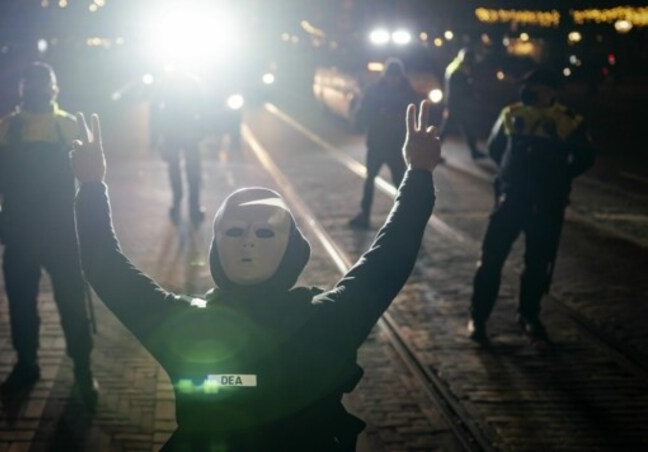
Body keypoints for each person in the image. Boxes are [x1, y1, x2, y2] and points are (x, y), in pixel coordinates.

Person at [70, 100, 441, 450]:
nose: (248, 243)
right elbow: (390, 259)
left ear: (289, 249)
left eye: (264, 232)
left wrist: (91, 185)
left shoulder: (182, 326)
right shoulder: (329, 319)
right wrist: (418, 173)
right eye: (235, 232)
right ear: (217, 246)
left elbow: (104, 265)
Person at [0, 62, 98, 406]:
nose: (37, 93)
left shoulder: (71, 126)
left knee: (72, 304)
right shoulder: (4, 130)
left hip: (62, 235)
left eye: (42, 87)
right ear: (23, 91)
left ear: (53, 90)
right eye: (32, 88)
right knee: (22, 305)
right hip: (22, 234)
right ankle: (27, 364)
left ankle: (83, 368)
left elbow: (92, 184)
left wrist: (94, 229)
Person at [468, 69, 595, 343]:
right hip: (512, 199)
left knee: (537, 264)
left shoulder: (568, 121)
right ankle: (478, 318)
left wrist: (558, 178)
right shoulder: (511, 114)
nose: (527, 92)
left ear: (551, 92)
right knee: (491, 260)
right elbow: (495, 148)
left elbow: (585, 157)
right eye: (526, 86)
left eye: (534, 87)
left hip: (546, 204)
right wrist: (511, 177)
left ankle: (529, 315)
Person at [348, 58, 420, 229]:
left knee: (400, 181)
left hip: (395, 145)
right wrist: (366, 121)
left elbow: (413, 116)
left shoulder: (406, 92)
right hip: (378, 143)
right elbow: (363, 111)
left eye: (395, 77)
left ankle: (405, 216)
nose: (392, 80)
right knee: (371, 178)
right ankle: (365, 214)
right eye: (390, 77)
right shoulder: (375, 91)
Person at [153, 71, 206, 225]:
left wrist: (156, 136)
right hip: (190, 132)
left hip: (171, 132)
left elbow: (156, 108)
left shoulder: (166, 82)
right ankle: (194, 210)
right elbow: (201, 108)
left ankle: (176, 204)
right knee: (193, 171)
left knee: (174, 168)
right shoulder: (192, 82)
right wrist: (201, 130)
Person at [440, 48, 484, 160]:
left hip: (456, 104)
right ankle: (432, 153)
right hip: (456, 105)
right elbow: (459, 90)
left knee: (467, 128)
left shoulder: (456, 66)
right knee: (446, 131)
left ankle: (474, 152)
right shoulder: (457, 71)